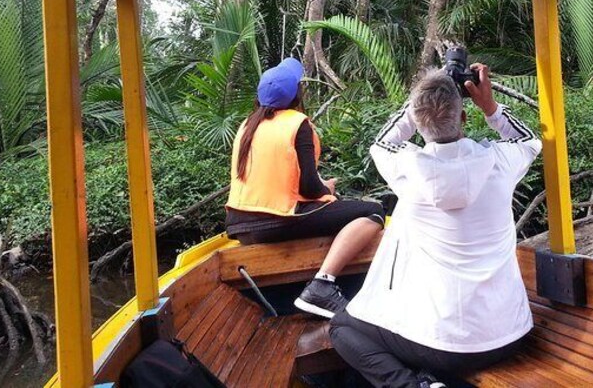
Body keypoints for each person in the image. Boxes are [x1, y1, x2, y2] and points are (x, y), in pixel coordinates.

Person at [329, 64, 542, 388]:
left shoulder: (406, 168)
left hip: (437, 347)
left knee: (342, 328)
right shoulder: (499, 162)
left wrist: (418, 102)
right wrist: (491, 107)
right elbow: (528, 139)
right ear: (464, 118)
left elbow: (381, 143)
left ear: (417, 120)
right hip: (507, 335)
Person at [225, 57, 384, 319]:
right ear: (296, 94)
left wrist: (322, 192)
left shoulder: (248, 125)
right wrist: (328, 190)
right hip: (276, 220)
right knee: (372, 211)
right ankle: (322, 284)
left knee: (335, 208)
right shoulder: (297, 124)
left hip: (240, 225)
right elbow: (310, 188)